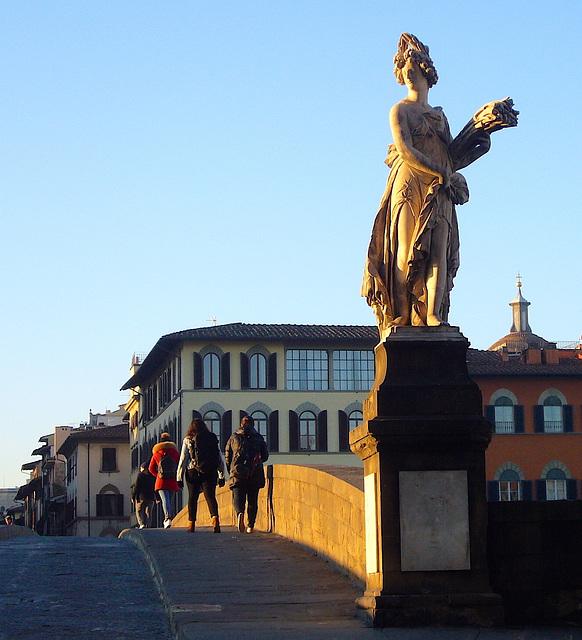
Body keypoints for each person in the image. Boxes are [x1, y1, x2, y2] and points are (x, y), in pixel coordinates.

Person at [362, 33, 517, 339]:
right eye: (403, 67)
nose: (407, 72)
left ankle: (432, 313)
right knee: (406, 249)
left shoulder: (440, 117)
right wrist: (439, 172)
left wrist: (479, 141)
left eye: (412, 66)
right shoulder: (400, 111)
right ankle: (403, 313)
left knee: (438, 253)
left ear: (425, 70)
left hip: (439, 189)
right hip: (409, 184)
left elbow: (452, 158)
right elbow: (405, 150)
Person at [177, 418, 226, 533]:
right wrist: (221, 475)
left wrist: (179, 477)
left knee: (192, 498)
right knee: (210, 497)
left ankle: (191, 524)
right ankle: (215, 521)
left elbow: (183, 459)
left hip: (192, 471)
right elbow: (219, 457)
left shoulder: (188, 440)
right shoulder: (211, 438)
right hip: (209, 471)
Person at [224, 415, 269, 533]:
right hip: (255, 473)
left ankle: (240, 513)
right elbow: (265, 457)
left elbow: (227, 456)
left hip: (238, 471)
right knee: (253, 500)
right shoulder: (259, 437)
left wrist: (231, 470)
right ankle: (250, 526)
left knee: (238, 497)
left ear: (241, 425)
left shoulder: (233, 437)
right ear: (253, 425)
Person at [149, 432, 180, 528]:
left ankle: (167, 517)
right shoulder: (175, 453)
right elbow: (180, 466)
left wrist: (158, 475)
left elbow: (151, 468)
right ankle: (170, 517)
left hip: (161, 481)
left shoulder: (157, 454)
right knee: (170, 500)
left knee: (164, 499)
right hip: (173, 480)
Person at [131, 462, 156, 529]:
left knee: (139, 511)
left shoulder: (140, 476)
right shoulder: (152, 476)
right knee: (149, 512)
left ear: (144, 469)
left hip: (141, 497)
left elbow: (136, 487)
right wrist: (157, 497)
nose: (140, 469)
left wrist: (133, 497)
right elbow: (155, 487)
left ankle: (141, 524)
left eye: (141, 468)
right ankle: (149, 525)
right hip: (150, 497)